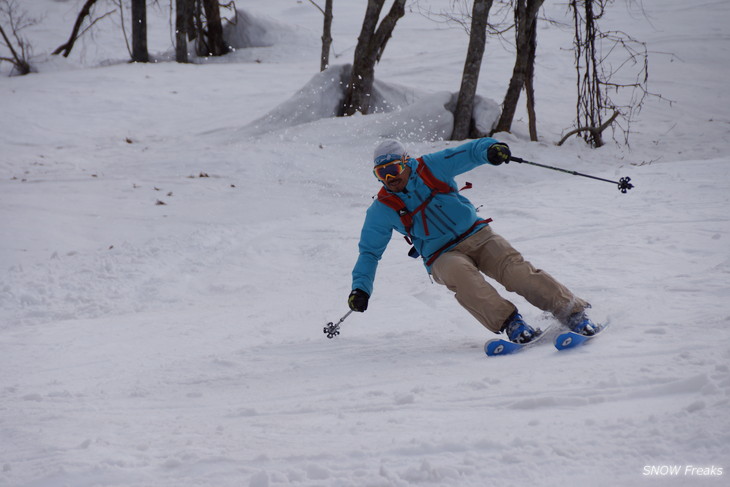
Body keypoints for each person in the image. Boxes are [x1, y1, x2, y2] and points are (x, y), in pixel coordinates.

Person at [347, 137, 599, 344]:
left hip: (477, 234)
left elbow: (468, 151)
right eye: (382, 174)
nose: (390, 178)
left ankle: (572, 312)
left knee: (516, 271)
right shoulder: (382, 208)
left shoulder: (431, 167)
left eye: (393, 169)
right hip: (441, 256)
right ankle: (512, 324)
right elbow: (369, 252)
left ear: (406, 162)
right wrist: (360, 288)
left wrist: (490, 150)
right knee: (464, 277)